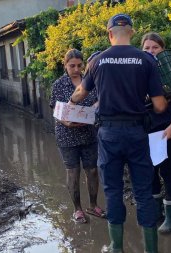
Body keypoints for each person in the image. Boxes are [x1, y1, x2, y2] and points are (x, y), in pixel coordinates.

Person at [69, 14, 167, 253]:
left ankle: (116, 247)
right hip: (136, 133)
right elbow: (160, 106)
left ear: (110, 33)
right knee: (143, 191)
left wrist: (72, 99)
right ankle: (151, 250)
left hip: (109, 135)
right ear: (132, 33)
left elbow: (80, 93)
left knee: (112, 189)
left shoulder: (97, 61)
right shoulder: (146, 61)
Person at [49, 49, 106, 224]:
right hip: (67, 135)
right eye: (71, 65)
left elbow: (100, 100)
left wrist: (95, 107)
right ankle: (78, 210)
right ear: (65, 65)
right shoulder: (58, 85)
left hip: (89, 133)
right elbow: (56, 110)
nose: (75, 69)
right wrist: (67, 122)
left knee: (92, 170)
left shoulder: (91, 82)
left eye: (79, 65)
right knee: (73, 172)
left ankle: (93, 205)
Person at [141, 32, 171, 233]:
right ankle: (155, 212)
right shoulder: (139, 70)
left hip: (165, 130)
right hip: (144, 129)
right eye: (147, 48)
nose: (151, 51)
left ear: (163, 49)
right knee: (148, 171)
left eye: (155, 47)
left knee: (168, 171)